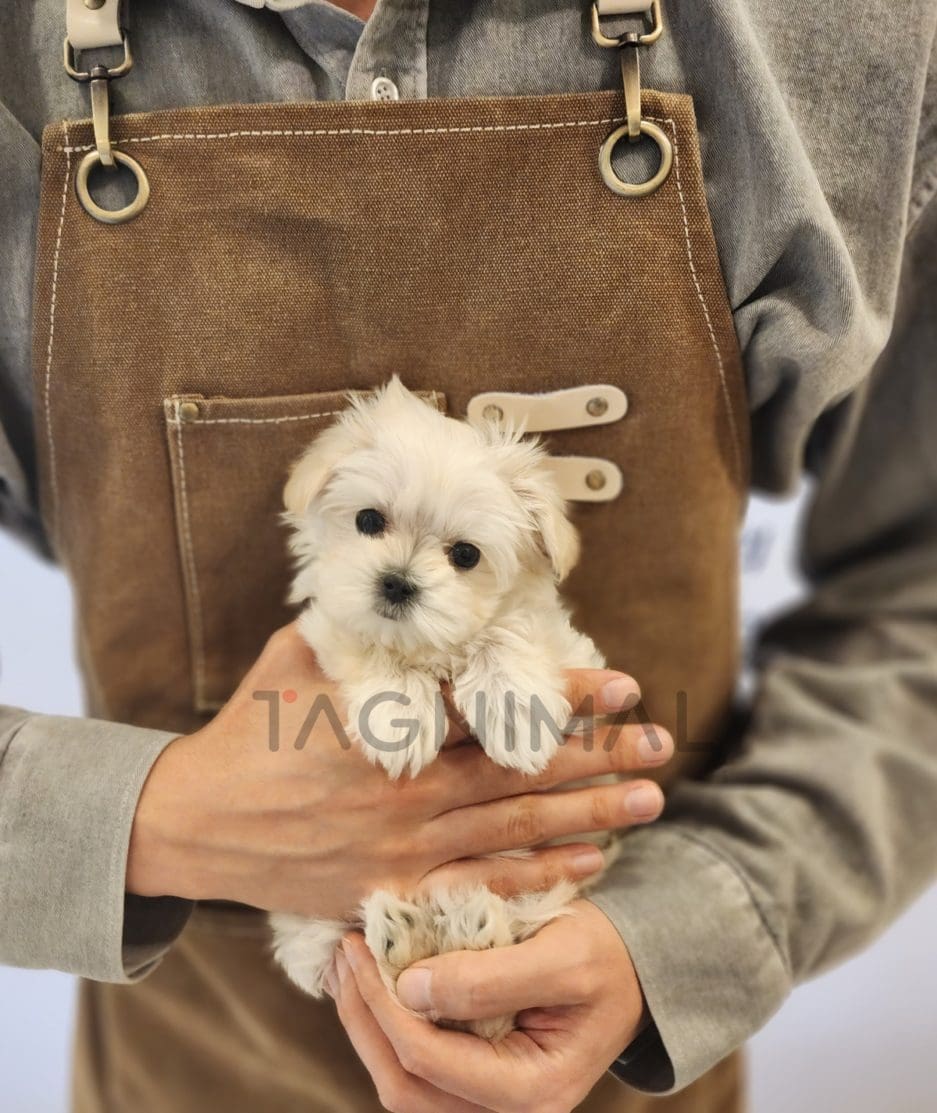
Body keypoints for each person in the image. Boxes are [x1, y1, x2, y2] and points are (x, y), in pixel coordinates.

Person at [1, 1, 935, 1111]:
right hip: (188, 1064)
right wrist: (144, 820)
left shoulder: (852, 30)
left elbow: (915, 589)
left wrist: (690, 932)